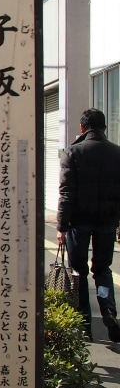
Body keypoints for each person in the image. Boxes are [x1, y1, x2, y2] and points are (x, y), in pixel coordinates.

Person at [56, 108, 120, 342]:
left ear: (82, 128)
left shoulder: (73, 153)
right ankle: (108, 309)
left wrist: (62, 227)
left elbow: (66, 193)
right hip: (107, 222)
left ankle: (84, 323)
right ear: (104, 128)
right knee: (102, 270)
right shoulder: (117, 153)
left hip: (78, 223)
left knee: (79, 271)